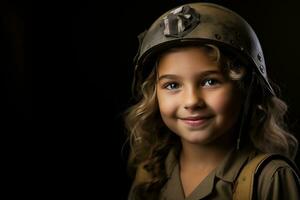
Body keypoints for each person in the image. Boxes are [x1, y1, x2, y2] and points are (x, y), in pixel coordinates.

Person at [124, 2, 300, 200]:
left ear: (246, 89)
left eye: (210, 81)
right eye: (173, 85)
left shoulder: (269, 178)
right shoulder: (151, 174)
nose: (191, 101)